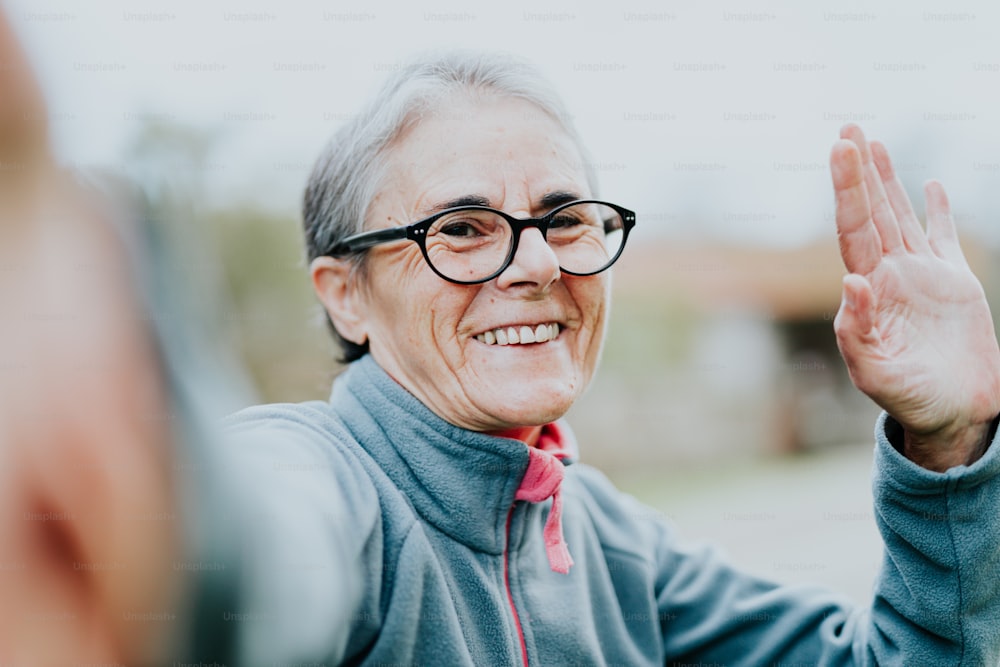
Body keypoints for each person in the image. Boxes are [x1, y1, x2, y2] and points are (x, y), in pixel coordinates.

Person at [3, 32, 999, 665]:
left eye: (564, 217)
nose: (531, 265)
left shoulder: (610, 540)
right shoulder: (326, 484)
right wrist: (148, 530)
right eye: (462, 228)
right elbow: (259, 566)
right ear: (344, 294)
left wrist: (947, 443)